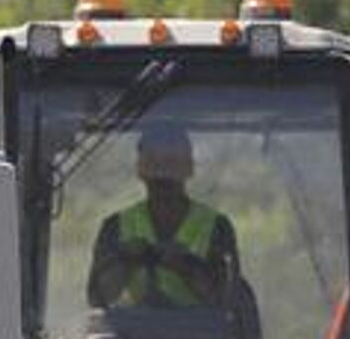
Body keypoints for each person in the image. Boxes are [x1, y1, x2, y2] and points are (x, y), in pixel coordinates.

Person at [87, 125, 242, 311]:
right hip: (130, 336)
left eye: (171, 164)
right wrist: (127, 261)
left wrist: (185, 265)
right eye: (154, 165)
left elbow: (226, 300)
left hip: (200, 336)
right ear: (141, 171)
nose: (163, 177)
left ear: (188, 169)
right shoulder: (115, 226)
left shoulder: (217, 227)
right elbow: (98, 298)